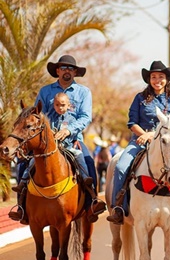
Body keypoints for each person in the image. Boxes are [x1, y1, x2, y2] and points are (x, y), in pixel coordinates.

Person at [9, 55, 106, 223]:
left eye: (70, 68)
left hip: (73, 139)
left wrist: (68, 131)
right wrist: (48, 134)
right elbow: (36, 115)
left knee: (89, 162)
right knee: (23, 163)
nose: (67, 71)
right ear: (57, 71)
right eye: (63, 68)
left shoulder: (83, 92)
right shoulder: (45, 91)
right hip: (46, 140)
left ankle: (92, 203)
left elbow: (85, 117)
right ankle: (21, 206)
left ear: (75, 72)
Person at [106, 60, 170, 227]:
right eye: (153, 77)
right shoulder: (140, 98)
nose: (157, 80)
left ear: (167, 79)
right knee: (120, 167)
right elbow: (132, 123)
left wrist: (153, 135)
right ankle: (118, 207)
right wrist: (145, 135)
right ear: (149, 79)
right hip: (139, 142)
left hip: (165, 145)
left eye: (161, 77)